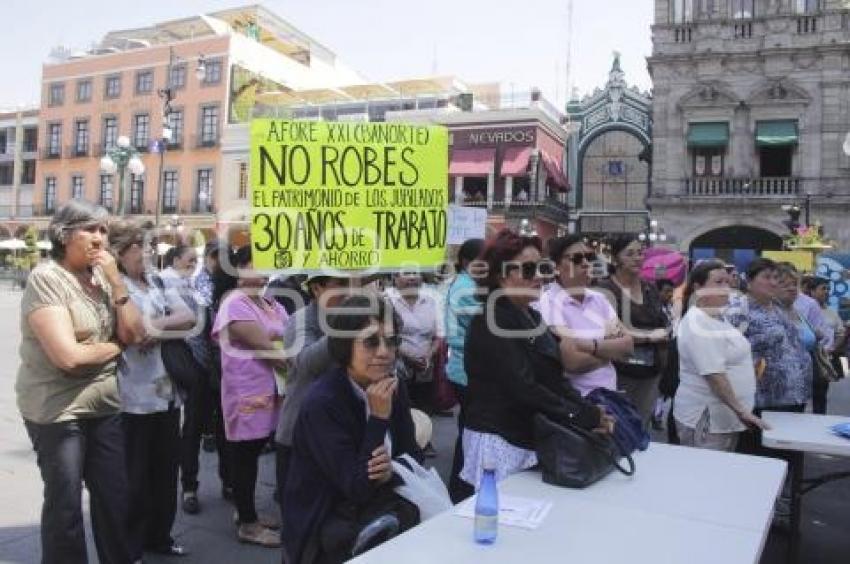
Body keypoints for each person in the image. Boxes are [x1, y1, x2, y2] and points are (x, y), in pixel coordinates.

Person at [16, 200, 143, 564]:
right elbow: (68, 357)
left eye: (103, 230)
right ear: (64, 233)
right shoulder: (47, 278)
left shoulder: (104, 276)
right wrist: (117, 346)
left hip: (104, 405)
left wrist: (118, 282)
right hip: (58, 409)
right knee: (65, 504)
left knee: (115, 498)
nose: (99, 237)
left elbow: (134, 332)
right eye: (89, 228)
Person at [461, 229, 614, 487]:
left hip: (530, 435)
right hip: (498, 438)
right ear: (501, 275)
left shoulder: (531, 316)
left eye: (542, 268)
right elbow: (524, 386)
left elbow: (554, 377)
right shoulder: (490, 319)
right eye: (529, 270)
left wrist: (588, 412)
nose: (540, 278)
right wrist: (581, 416)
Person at [281, 294, 421, 564]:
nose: (384, 352)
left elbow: (414, 456)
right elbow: (356, 486)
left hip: (381, 510)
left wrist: (391, 471)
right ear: (344, 345)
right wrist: (378, 419)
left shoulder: (394, 385)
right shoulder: (322, 403)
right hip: (326, 520)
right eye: (370, 342)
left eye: (392, 341)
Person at [111, 220, 194, 558]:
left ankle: (160, 536)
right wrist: (146, 330)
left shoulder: (158, 280)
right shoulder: (115, 287)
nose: (148, 252)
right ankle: (131, 545)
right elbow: (126, 333)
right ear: (121, 252)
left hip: (167, 394)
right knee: (134, 476)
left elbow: (188, 317)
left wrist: (151, 329)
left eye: (149, 246)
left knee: (164, 472)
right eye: (140, 247)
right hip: (132, 396)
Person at [212, 246, 288, 546]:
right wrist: (295, 362)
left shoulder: (271, 302)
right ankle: (247, 523)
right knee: (245, 454)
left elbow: (288, 334)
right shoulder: (235, 302)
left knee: (253, 452)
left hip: (272, 388)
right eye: (255, 265)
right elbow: (268, 348)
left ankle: (247, 511)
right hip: (248, 389)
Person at [275, 276, 350, 528]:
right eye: (338, 285)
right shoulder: (300, 320)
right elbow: (306, 362)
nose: (346, 291)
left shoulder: (356, 314)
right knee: (299, 523)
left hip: (339, 429)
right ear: (317, 288)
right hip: (299, 434)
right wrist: (343, 327)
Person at [674, 259, 768, 452]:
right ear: (698, 288)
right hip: (707, 418)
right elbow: (714, 374)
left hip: (725, 419)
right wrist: (742, 411)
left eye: (727, 282)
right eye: (718, 282)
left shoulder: (717, 317)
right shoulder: (697, 322)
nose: (726, 287)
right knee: (705, 475)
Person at [537, 235, 634, 397]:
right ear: (557, 267)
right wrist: (610, 354)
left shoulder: (599, 299)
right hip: (579, 400)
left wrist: (591, 347)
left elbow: (628, 346)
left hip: (611, 394)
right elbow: (572, 362)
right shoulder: (549, 302)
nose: (585, 263)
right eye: (576, 259)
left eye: (589, 257)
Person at [596, 235, 670, 426]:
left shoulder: (649, 288)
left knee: (641, 426)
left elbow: (662, 322)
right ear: (615, 258)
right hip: (619, 371)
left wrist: (664, 331)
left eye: (640, 253)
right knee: (620, 426)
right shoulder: (604, 290)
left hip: (651, 370)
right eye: (630, 253)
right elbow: (611, 332)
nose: (637, 258)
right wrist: (649, 337)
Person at [444, 238, 484, 502]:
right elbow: (485, 322)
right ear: (467, 262)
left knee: (468, 430)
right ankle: (460, 489)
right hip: (466, 370)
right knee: (469, 433)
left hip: (464, 369)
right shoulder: (466, 287)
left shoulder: (468, 284)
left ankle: (460, 487)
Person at [387, 271, 439, 414]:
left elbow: (438, 336)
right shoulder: (387, 301)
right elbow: (387, 338)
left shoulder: (432, 301)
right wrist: (408, 358)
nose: (411, 278)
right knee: (401, 416)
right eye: (406, 274)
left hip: (426, 372)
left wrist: (428, 356)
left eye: (415, 274)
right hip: (397, 372)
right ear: (395, 278)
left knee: (424, 416)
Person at [811, 276, 846, 413]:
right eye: (823, 288)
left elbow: (840, 333)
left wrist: (833, 348)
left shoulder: (831, 312)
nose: (826, 291)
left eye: (828, 289)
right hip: (808, 357)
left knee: (820, 395)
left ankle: (819, 421)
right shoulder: (804, 309)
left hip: (824, 359)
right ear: (812, 291)